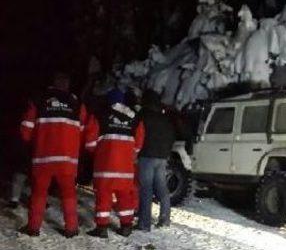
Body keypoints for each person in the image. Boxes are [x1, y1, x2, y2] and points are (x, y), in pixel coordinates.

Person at [19, 72, 87, 237]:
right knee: (69, 193)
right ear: (67, 85)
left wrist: (32, 141)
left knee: (39, 192)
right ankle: (71, 228)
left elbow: (26, 130)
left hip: (43, 158)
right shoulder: (77, 104)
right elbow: (83, 131)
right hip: (67, 160)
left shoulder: (39, 99)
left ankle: (33, 227)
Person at [84, 88, 144, 238]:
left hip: (105, 167)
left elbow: (90, 143)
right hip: (125, 168)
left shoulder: (99, 115)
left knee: (103, 197)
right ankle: (126, 226)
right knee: (125, 196)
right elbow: (138, 144)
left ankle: (102, 228)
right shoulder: (135, 118)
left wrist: (99, 153)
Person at [136, 90, 178, 231]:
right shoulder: (165, 118)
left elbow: (136, 132)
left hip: (147, 155)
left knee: (146, 190)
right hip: (162, 157)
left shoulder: (143, 115)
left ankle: (144, 224)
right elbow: (172, 136)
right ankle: (165, 219)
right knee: (162, 188)